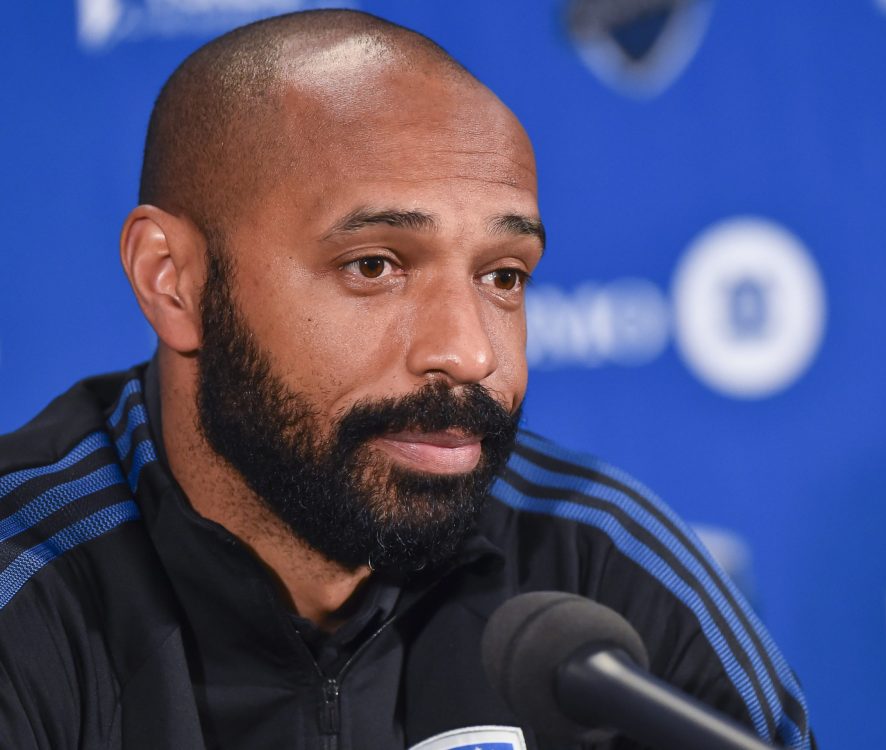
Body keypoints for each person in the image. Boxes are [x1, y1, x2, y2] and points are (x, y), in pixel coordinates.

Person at [0, 10, 812, 750]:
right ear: (172, 280)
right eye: (375, 265)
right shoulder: (25, 594)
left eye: (502, 276)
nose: (468, 354)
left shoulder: (603, 571)